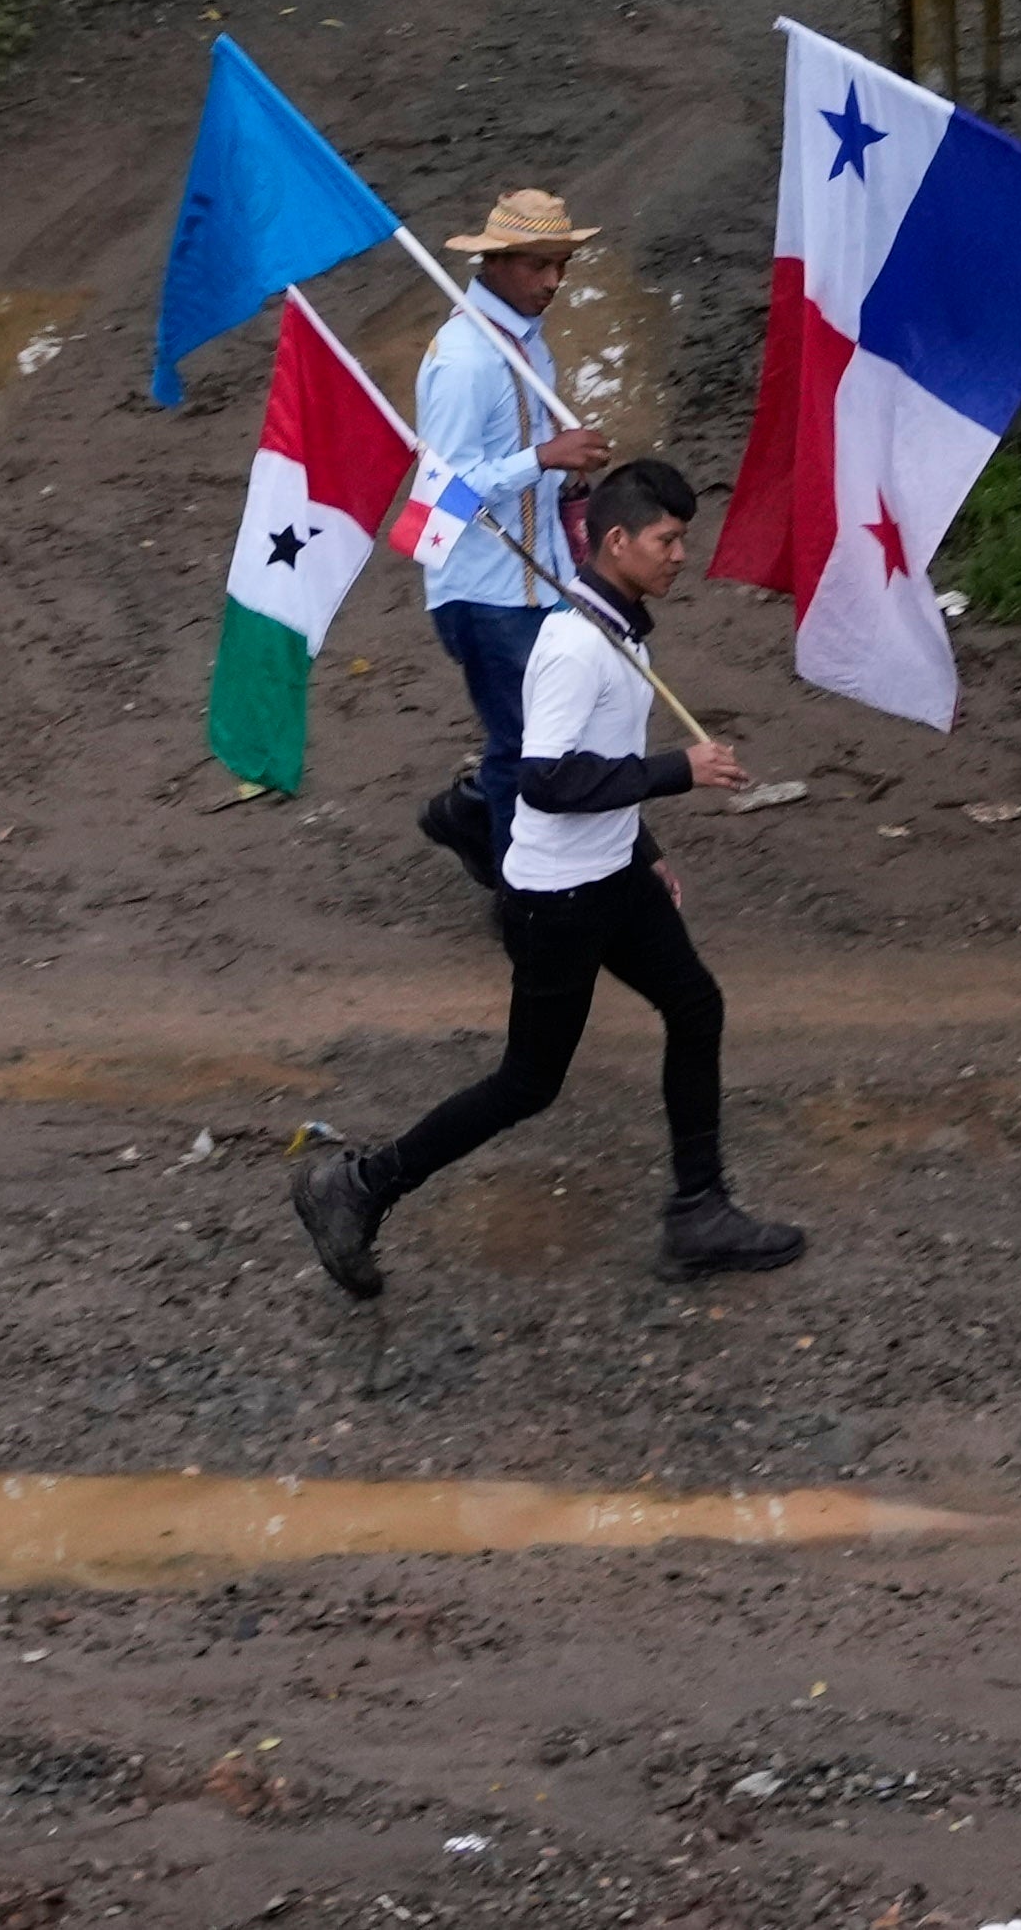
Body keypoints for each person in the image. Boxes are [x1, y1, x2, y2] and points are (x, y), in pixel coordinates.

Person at [295, 461, 804, 1293]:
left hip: (612, 875)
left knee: (695, 1004)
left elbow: (595, 769)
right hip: (556, 898)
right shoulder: (573, 646)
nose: (681, 554)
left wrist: (643, 850)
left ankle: (698, 1212)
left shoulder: (619, 628)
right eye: (666, 539)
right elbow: (546, 779)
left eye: (683, 537)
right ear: (615, 541)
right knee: (527, 1081)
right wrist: (679, 769)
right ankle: (355, 1185)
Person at [406, 187, 619, 886]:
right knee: (535, 742)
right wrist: (544, 459)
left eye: (559, 265)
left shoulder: (526, 342)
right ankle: (521, 893)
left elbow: (518, 467)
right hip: (483, 591)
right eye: (537, 265)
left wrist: (566, 480)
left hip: (539, 582)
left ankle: (473, 818)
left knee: (535, 735)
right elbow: (439, 493)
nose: (553, 282)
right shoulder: (465, 359)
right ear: (494, 262)